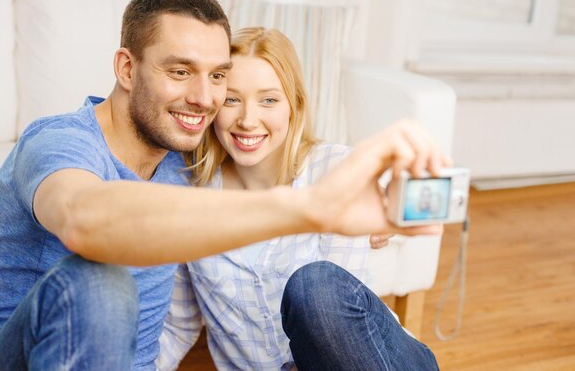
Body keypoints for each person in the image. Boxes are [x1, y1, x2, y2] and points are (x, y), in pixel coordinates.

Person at [0, 0, 446, 371]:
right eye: (180, 71)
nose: (204, 98)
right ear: (126, 69)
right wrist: (309, 208)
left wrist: (380, 200)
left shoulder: (184, 165)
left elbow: (279, 154)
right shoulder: (58, 144)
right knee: (100, 282)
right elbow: (84, 220)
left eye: (217, 76)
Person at [158, 27, 440, 370]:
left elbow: (335, 324)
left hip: (376, 360)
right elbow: (178, 326)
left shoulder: (337, 171)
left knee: (314, 286)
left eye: (269, 100)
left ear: (295, 106)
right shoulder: (189, 198)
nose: (248, 120)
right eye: (232, 99)